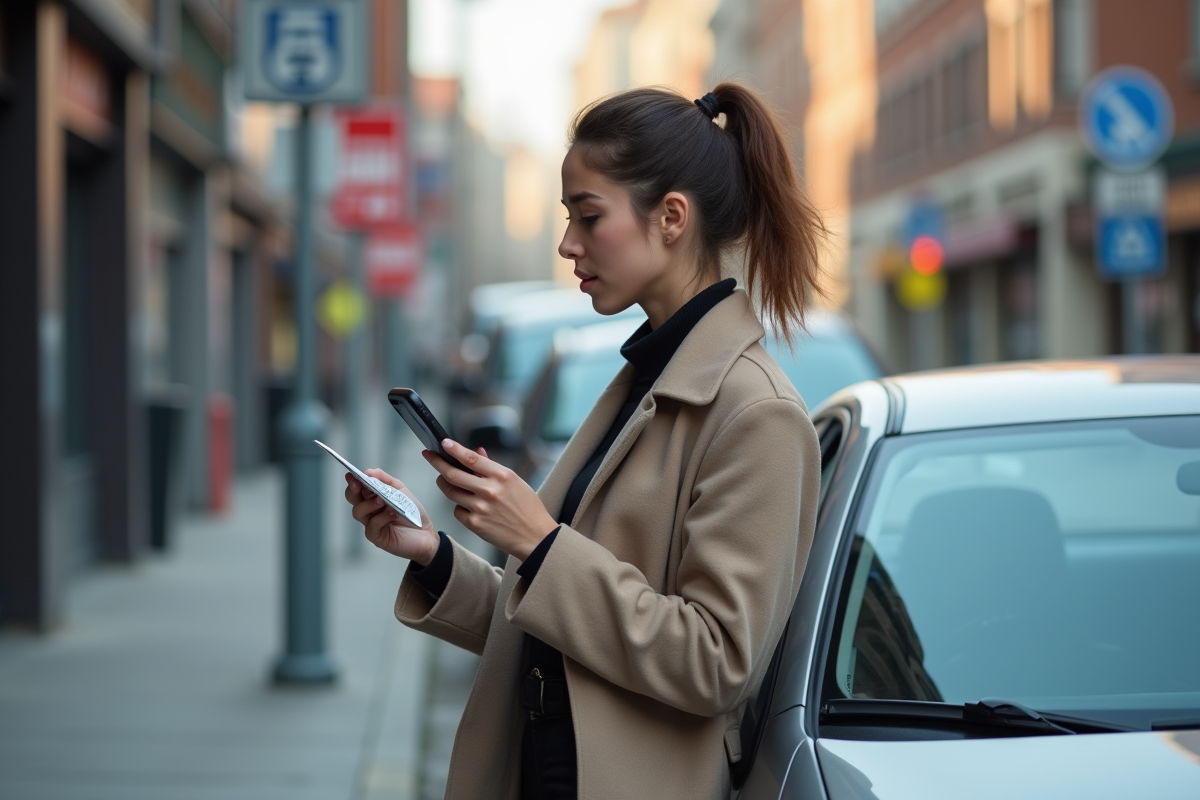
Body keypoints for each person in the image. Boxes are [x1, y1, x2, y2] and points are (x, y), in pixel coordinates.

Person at [345, 83, 825, 800]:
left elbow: (715, 661)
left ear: (670, 218)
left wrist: (539, 542)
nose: (568, 243)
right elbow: (558, 631)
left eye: (587, 216)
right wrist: (437, 557)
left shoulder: (756, 414)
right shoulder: (642, 380)